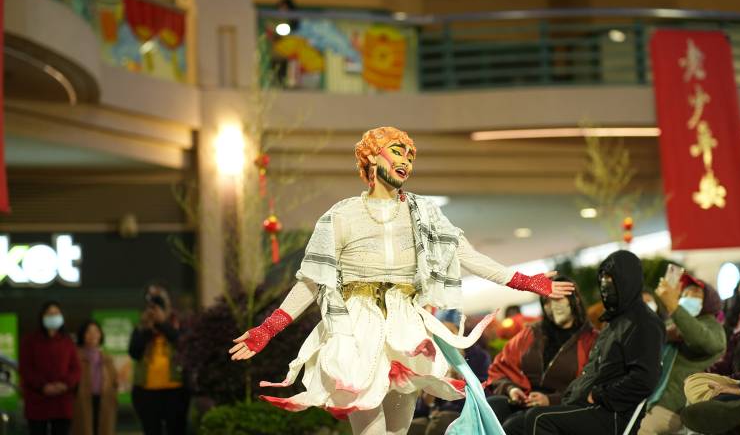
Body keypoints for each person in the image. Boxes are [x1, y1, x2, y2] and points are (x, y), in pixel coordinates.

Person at [228, 126, 574, 435]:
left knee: (399, 431)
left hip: (406, 329)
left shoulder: (425, 214)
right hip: (356, 331)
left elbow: (469, 257)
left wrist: (528, 282)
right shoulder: (341, 215)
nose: (406, 160)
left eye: (410, 154)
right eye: (397, 151)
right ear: (370, 158)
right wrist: (266, 330)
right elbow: (311, 281)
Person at [504, 250, 665, 435]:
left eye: (611, 281)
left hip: (611, 413)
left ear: (627, 281)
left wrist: (599, 395)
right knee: (514, 425)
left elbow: (644, 379)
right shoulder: (615, 321)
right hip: (587, 404)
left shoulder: (644, 323)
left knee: (539, 419)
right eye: (603, 281)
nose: (605, 287)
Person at [484, 276, 598, 432]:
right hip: (527, 402)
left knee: (515, 425)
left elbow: (591, 386)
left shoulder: (592, 340)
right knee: (490, 408)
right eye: (547, 301)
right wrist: (511, 389)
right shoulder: (531, 333)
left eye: (559, 298)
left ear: (575, 300)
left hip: (564, 408)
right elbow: (499, 368)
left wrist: (550, 400)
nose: (553, 306)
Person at [636, 273, 726, 434]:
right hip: (650, 399)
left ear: (709, 300)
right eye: (684, 293)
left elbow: (704, 341)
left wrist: (674, 307)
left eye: (696, 294)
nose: (688, 297)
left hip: (672, 407)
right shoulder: (674, 322)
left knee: (640, 430)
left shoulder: (713, 327)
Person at [683, 283, 740, 406]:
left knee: (696, 387)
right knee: (694, 380)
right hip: (732, 381)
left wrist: (729, 381)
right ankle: (716, 403)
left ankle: (715, 404)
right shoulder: (739, 336)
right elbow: (724, 363)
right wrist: (703, 373)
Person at [129, 284, 188, 435]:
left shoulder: (179, 323)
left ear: (168, 301)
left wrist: (163, 324)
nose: (155, 305)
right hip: (146, 392)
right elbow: (134, 352)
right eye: (151, 300)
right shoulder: (141, 326)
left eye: (159, 299)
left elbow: (183, 344)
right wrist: (148, 328)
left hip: (175, 390)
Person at [20, 301, 81, 435]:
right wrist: (43, 386)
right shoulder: (30, 341)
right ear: (42, 316)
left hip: (62, 402)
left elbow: (76, 369)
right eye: (49, 313)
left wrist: (65, 385)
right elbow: (26, 368)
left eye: (56, 313)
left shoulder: (67, 341)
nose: (53, 316)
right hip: (37, 401)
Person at [72, 320, 118, 435]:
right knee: (84, 429)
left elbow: (114, 381)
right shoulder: (75, 356)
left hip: (104, 400)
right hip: (82, 401)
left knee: (103, 429)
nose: (93, 335)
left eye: (96, 331)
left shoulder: (107, 358)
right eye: (89, 331)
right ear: (82, 335)